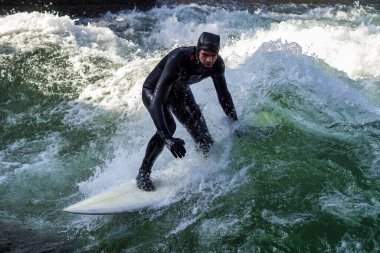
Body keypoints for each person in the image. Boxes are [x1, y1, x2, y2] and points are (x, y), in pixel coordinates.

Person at [136, 32, 239, 191]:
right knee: (169, 127)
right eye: (205, 55)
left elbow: (224, 95)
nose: (209, 60)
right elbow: (158, 102)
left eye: (213, 55)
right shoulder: (179, 58)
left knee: (204, 138)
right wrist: (168, 139)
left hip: (179, 92)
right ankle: (143, 173)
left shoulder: (217, 65)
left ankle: (204, 168)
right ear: (197, 50)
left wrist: (235, 123)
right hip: (153, 91)